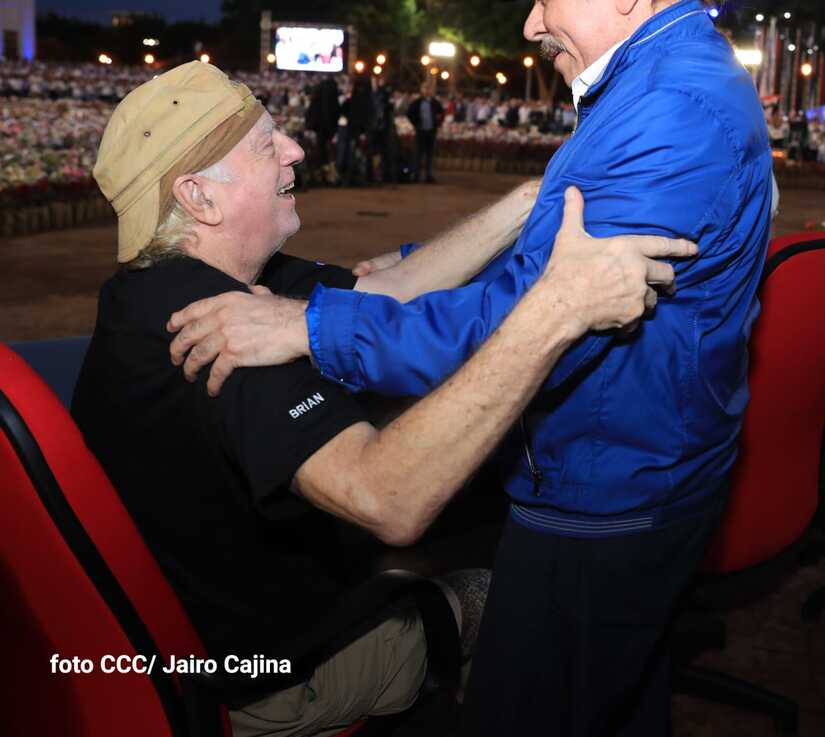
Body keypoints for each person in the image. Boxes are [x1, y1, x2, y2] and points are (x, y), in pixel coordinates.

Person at [170, 0, 774, 736]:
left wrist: (311, 323)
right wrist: (411, 266)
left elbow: (535, 322)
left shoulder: (668, 109)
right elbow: (549, 254)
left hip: (604, 488)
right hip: (633, 458)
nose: (530, 23)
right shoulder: (659, 80)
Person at [73, 60, 694, 737]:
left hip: (200, 629)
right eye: (267, 144)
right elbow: (388, 499)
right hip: (271, 674)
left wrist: (534, 197)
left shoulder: (177, 283)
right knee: (539, 595)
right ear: (199, 197)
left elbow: (393, 290)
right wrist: (558, 310)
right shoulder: (217, 330)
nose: (296, 150)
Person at [406, 84, 444, 182]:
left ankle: (428, 175)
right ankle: (416, 175)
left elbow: (442, 113)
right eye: (425, 88)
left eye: (428, 89)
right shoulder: (417, 102)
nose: (427, 91)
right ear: (421, 90)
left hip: (431, 131)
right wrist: (416, 123)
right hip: (420, 131)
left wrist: (438, 123)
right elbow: (409, 113)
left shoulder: (435, 103)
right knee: (418, 154)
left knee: (430, 154)